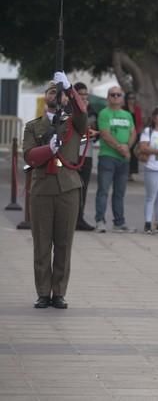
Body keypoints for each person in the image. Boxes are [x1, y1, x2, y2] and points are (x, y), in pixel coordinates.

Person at [23, 72, 87, 309]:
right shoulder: (33, 127)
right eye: (52, 91)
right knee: (42, 244)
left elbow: (83, 114)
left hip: (68, 188)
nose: (55, 95)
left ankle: (58, 292)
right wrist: (48, 149)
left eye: (59, 93)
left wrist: (70, 88)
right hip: (42, 189)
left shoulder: (74, 123)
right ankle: (42, 292)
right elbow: (29, 155)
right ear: (45, 97)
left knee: (63, 243)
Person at [95, 85, 136, 233]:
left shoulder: (127, 115)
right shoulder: (104, 114)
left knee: (119, 192)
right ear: (108, 97)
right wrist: (121, 147)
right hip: (108, 157)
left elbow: (133, 133)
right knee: (103, 190)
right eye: (112, 95)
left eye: (119, 95)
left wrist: (127, 147)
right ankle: (100, 220)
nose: (116, 97)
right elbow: (105, 134)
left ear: (122, 98)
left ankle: (119, 222)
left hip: (123, 159)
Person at [74, 82, 98, 231]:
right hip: (72, 154)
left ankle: (79, 218)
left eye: (85, 95)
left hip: (86, 153)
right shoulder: (70, 110)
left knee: (83, 187)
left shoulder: (92, 111)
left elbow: (93, 129)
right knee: (70, 188)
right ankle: (69, 218)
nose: (83, 97)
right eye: (80, 94)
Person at [123, 92, 144, 180]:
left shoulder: (137, 109)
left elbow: (139, 121)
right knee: (126, 152)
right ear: (126, 99)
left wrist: (139, 132)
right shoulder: (123, 109)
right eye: (130, 98)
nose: (131, 100)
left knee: (134, 154)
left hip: (135, 133)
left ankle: (131, 173)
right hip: (126, 133)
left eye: (133, 98)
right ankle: (124, 172)